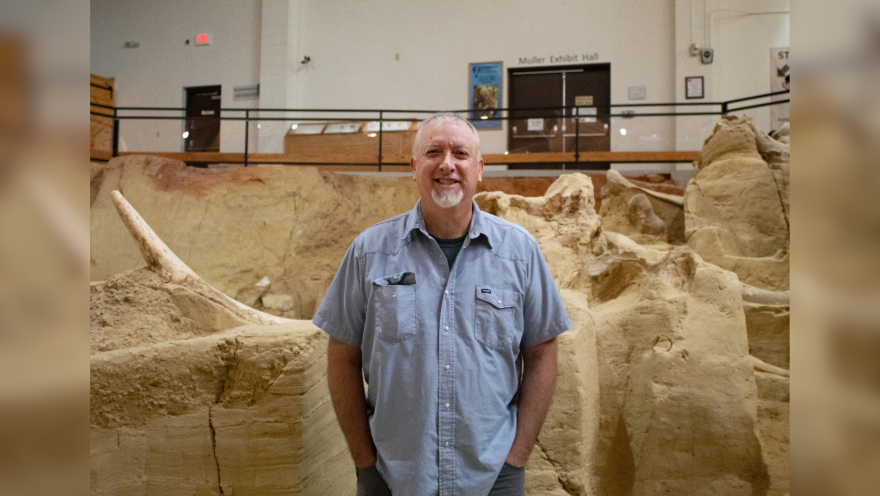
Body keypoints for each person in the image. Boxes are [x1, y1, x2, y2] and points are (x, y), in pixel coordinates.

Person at [313, 113, 571, 495]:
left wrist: (516, 458)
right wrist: (365, 463)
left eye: (461, 153)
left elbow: (542, 354)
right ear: (414, 167)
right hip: (393, 478)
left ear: (479, 169)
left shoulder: (519, 253)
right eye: (434, 152)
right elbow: (342, 357)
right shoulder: (370, 251)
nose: (447, 164)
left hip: (491, 478)